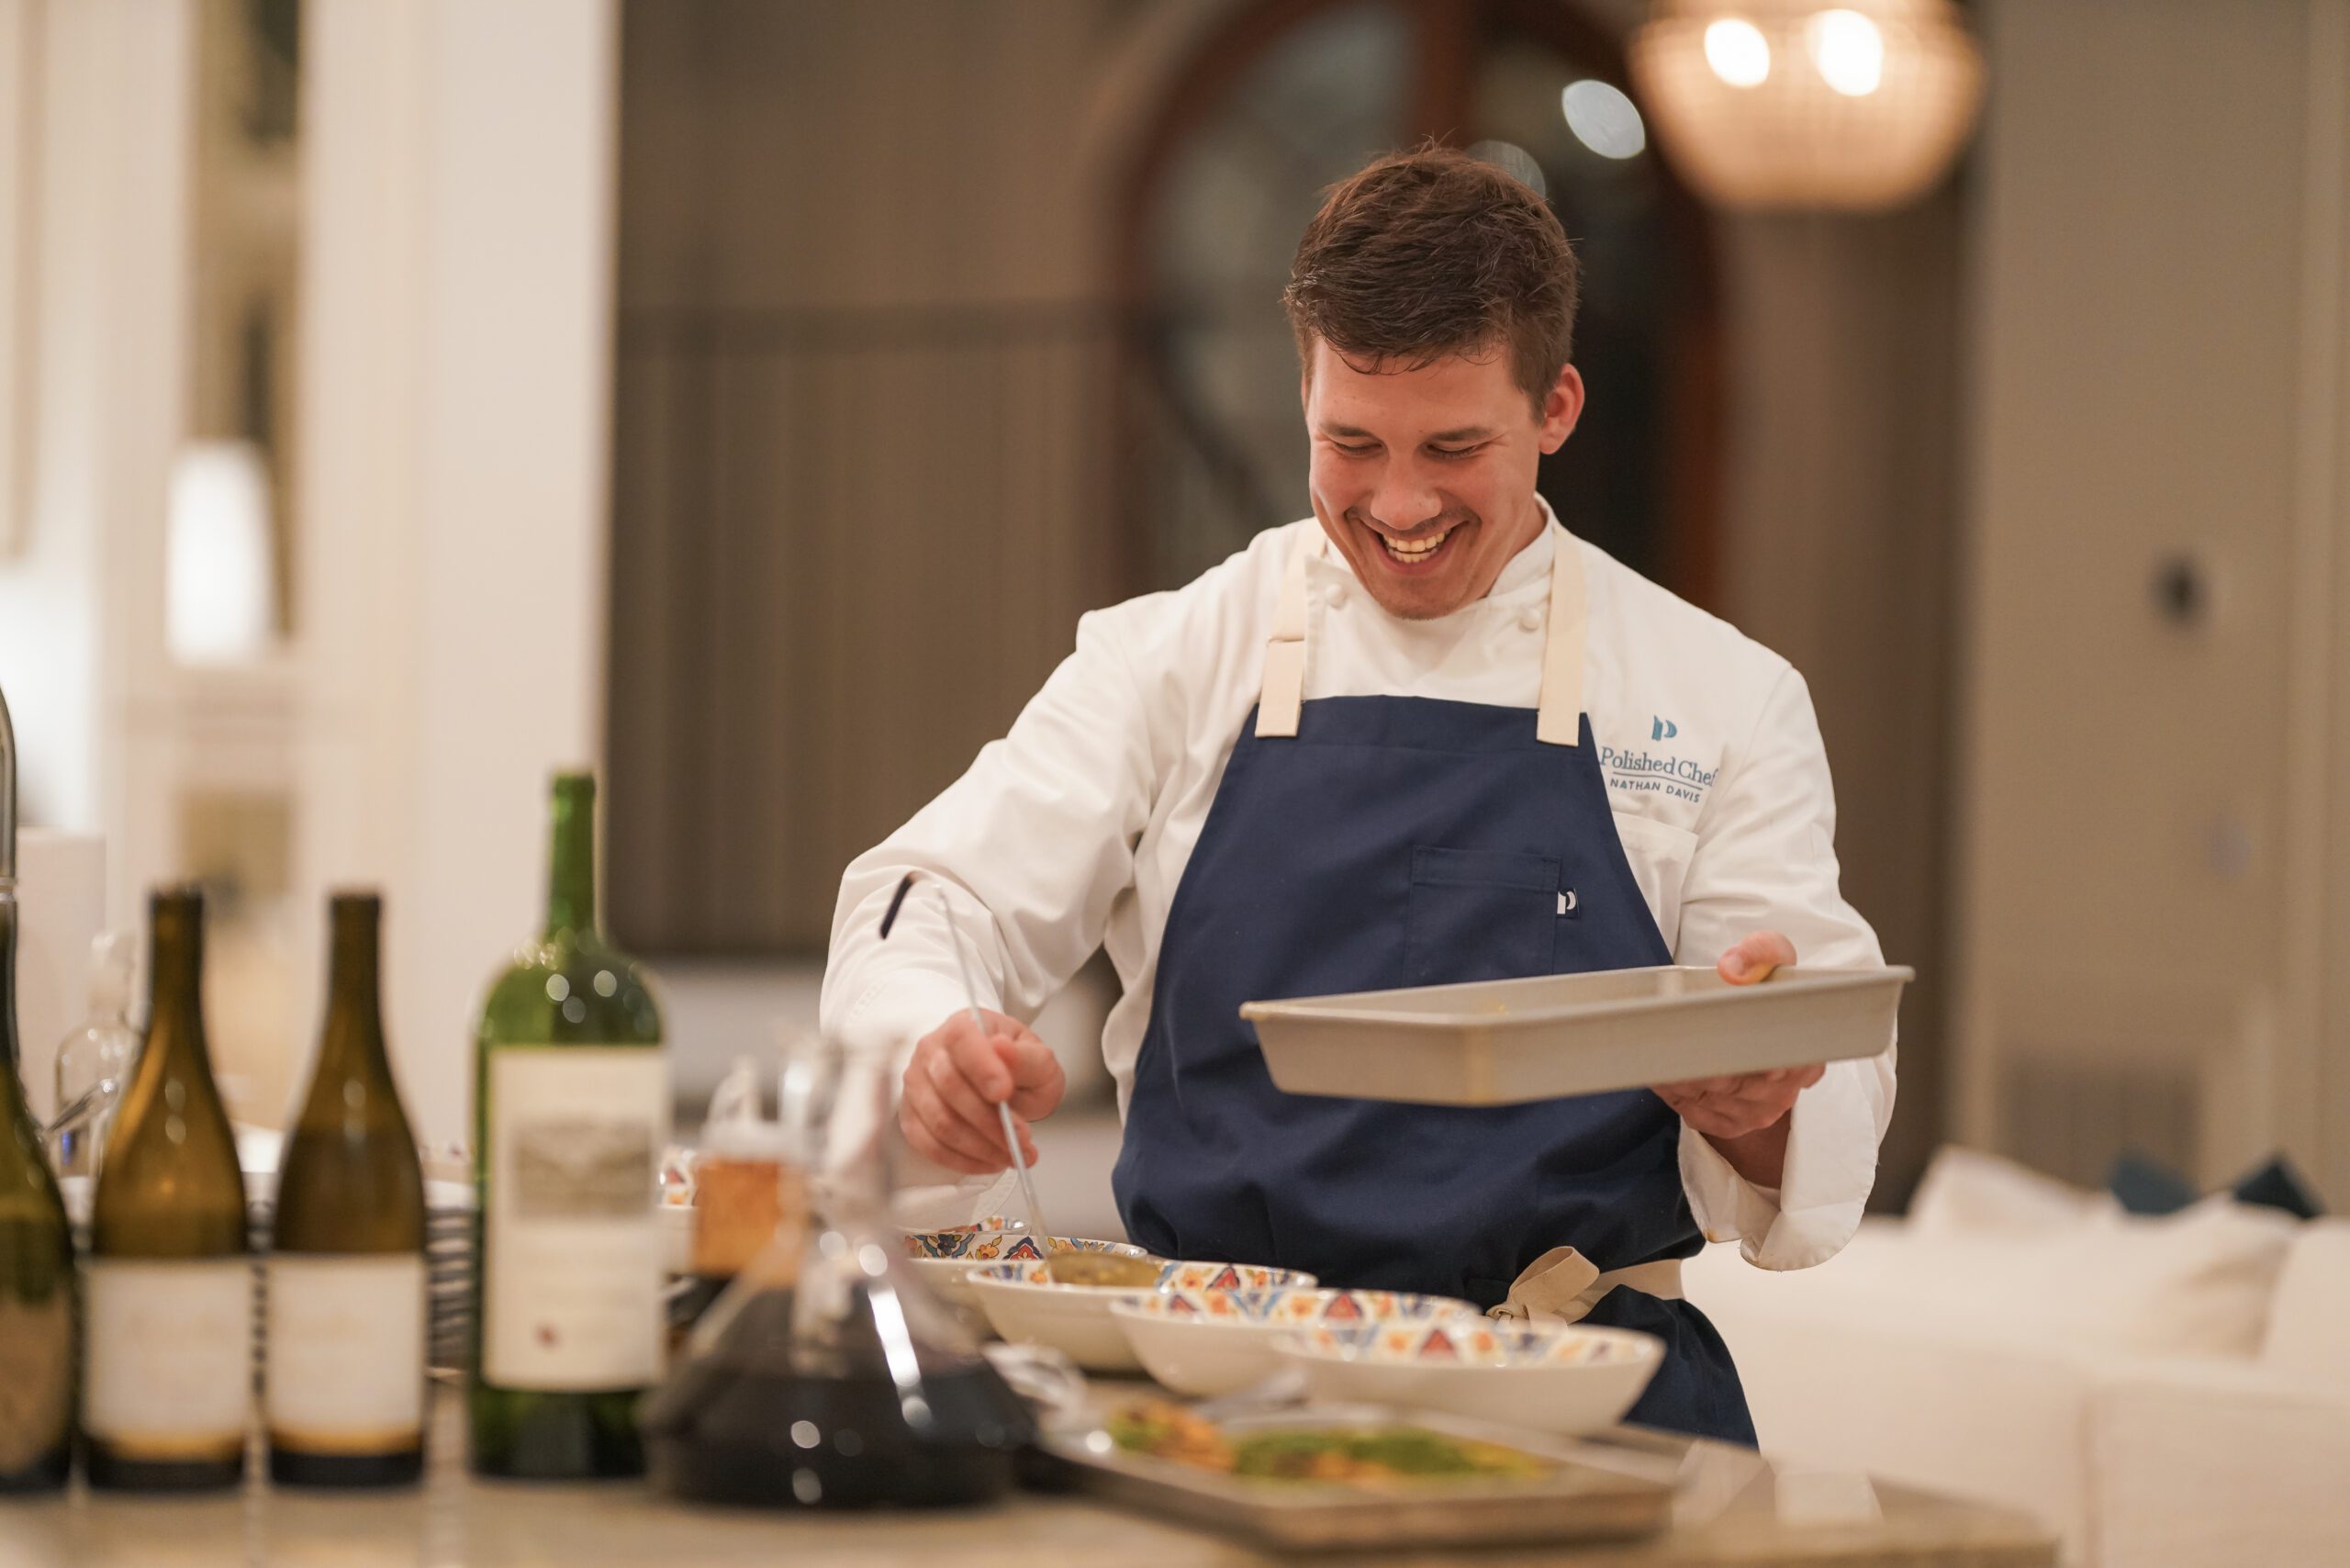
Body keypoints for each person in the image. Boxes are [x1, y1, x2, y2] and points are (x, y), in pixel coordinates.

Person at [822, 147, 1895, 1444]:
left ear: (1556, 408)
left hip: (1589, 1402)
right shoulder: (1175, 655)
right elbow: (930, 898)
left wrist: (1760, 1103)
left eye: (1454, 447)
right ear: (1305, 395)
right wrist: (930, 1048)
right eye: (1351, 443)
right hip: (1219, 1395)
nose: (1398, 504)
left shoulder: (1721, 695)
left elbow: (1816, 1074)